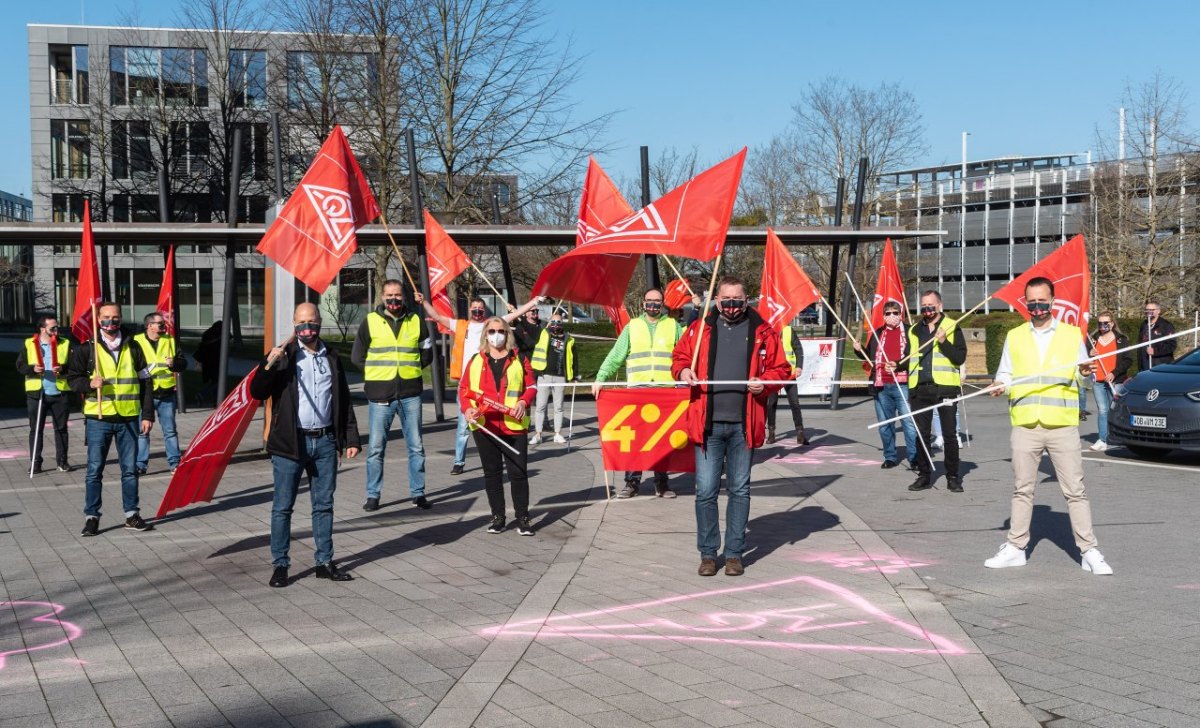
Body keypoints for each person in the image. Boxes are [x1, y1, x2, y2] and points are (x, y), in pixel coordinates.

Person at [985, 277, 1113, 575]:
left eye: (1043, 301)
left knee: (1075, 491)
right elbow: (1005, 374)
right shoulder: (1016, 336)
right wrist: (998, 385)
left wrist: (1084, 372)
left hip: (1062, 426)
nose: (1038, 307)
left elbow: (1082, 378)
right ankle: (1016, 547)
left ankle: (1089, 550)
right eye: (1032, 302)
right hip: (1026, 425)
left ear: (1053, 301)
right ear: (1025, 302)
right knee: (1022, 489)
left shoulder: (1071, 335)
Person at [673, 277, 791, 577]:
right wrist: (684, 370)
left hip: (744, 425)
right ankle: (709, 554)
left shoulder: (764, 331)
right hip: (707, 424)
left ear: (746, 299)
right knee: (706, 491)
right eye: (726, 300)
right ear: (716, 300)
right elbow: (680, 358)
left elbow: (782, 370)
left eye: (737, 300)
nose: (731, 306)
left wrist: (764, 384)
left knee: (740, 490)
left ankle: (735, 554)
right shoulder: (699, 329)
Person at [250, 303, 361, 588]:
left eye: (311, 321)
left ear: (320, 322)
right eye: (301, 322)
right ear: (293, 323)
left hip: (325, 441)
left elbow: (343, 399)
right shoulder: (283, 355)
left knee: (323, 505)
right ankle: (280, 565)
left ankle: (324, 562)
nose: (306, 327)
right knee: (283, 507)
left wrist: (350, 437)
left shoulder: (332, 356)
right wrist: (268, 365)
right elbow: (257, 391)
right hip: (290, 442)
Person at [419, 292, 542, 475]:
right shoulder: (460, 325)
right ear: (469, 310)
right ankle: (459, 461)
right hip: (468, 384)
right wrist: (423, 302)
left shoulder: (492, 325)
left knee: (491, 421)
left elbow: (515, 315)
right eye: (474, 309)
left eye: (480, 309)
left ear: (484, 311)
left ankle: (496, 456)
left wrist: (533, 301)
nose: (477, 312)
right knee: (464, 424)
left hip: (489, 382)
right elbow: (437, 317)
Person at [64, 302, 156, 536]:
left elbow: (146, 382)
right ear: (98, 320)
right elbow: (71, 379)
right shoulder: (87, 349)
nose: (111, 322)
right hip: (99, 418)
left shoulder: (134, 347)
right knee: (94, 470)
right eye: (106, 317)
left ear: (121, 319)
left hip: (128, 418)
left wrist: (147, 414)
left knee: (129, 470)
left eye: (115, 318)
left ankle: (131, 515)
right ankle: (92, 516)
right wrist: (88, 383)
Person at [351, 279, 433, 512]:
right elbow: (357, 357)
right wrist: (377, 374)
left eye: (397, 295)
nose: (393, 299)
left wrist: (413, 370)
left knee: (416, 447)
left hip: (410, 394)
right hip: (380, 396)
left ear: (404, 297)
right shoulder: (370, 321)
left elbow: (427, 351)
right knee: (376, 449)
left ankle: (418, 494)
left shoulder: (416, 320)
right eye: (389, 295)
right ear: (382, 297)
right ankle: (373, 495)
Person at [593, 288, 682, 498]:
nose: (653, 305)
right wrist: (600, 378)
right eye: (650, 301)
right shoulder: (632, 327)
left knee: (662, 440)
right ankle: (631, 483)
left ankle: (662, 482)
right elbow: (616, 356)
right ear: (643, 304)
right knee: (635, 440)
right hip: (637, 392)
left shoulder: (673, 326)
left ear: (663, 304)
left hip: (664, 391)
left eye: (657, 301)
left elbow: (686, 354)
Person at [459, 316, 537, 535]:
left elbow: (531, 385)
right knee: (492, 474)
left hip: (513, 426)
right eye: (492, 331)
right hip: (485, 426)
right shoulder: (475, 360)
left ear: (507, 333)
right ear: (485, 334)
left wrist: (524, 400)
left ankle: (523, 518)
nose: (496, 335)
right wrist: (467, 410)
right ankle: (498, 517)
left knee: (518, 473)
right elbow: (464, 390)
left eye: (501, 331)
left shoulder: (520, 359)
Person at [905, 290, 967, 492]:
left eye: (931, 305)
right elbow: (908, 358)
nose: (927, 309)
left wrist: (944, 342)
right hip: (920, 390)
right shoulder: (914, 330)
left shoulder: (951, 326)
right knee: (921, 435)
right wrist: (895, 365)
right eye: (923, 306)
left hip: (945, 389)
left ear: (939, 305)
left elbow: (959, 358)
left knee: (949, 435)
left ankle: (953, 476)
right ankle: (924, 475)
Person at [853, 302, 919, 470]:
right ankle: (890, 456)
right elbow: (868, 358)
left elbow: (916, 357)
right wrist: (858, 350)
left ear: (901, 313)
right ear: (883, 315)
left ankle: (914, 457)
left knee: (909, 424)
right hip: (882, 386)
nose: (891, 316)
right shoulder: (877, 334)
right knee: (885, 424)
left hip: (903, 384)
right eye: (888, 313)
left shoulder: (911, 332)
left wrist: (898, 365)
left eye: (894, 312)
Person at [134, 311, 188, 475]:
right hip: (144, 393)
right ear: (149, 326)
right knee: (143, 432)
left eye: (164, 324)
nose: (164, 326)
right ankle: (140, 465)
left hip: (166, 393)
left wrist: (174, 363)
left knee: (170, 431)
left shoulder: (170, 340)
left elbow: (183, 363)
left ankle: (174, 463)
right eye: (160, 324)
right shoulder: (136, 341)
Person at [16, 315, 71, 473]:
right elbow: (20, 365)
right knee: (36, 429)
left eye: (57, 327)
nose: (56, 330)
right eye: (53, 328)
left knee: (61, 429)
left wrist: (63, 369)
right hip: (37, 393)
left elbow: (73, 366)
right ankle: (36, 462)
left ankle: (62, 461)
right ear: (42, 329)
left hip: (59, 392)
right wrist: (32, 369)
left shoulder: (65, 343)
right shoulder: (29, 343)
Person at [1086, 312, 1132, 452]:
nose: (1102, 326)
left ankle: (1120, 436)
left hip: (1115, 380)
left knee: (1116, 410)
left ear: (1112, 323)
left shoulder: (1121, 340)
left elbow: (1127, 360)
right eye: (1100, 323)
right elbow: (1083, 358)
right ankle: (1102, 439)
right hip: (1098, 380)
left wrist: (1114, 373)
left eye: (1105, 323)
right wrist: (1089, 353)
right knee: (1103, 410)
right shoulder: (1093, 339)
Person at [530, 312, 576, 445]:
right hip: (544, 375)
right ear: (550, 323)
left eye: (559, 322)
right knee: (540, 405)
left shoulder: (569, 338)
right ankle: (538, 434)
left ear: (562, 323)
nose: (556, 325)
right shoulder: (543, 333)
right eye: (553, 322)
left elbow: (574, 358)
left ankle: (557, 433)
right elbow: (530, 327)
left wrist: (574, 376)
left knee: (558, 406)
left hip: (560, 376)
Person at [765, 322, 807, 445]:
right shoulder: (767, 331)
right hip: (773, 374)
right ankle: (771, 433)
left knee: (794, 403)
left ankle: (800, 432)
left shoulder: (788, 330)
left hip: (789, 373)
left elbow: (798, 349)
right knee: (771, 404)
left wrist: (799, 367)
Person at [1138, 300, 1176, 371]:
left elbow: (1171, 345)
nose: (1148, 312)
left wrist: (1155, 351)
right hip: (1144, 365)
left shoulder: (1166, 325)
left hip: (1159, 366)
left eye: (1151, 310)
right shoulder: (1144, 324)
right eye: (1146, 310)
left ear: (1158, 311)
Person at [193, 320, 223, 406]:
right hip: (216, 362)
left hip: (207, 362)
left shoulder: (207, 334)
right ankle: (203, 394)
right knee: (217, 382)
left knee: (214, 382)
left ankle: (216, 401)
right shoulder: (219, 335)